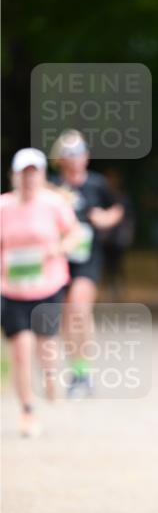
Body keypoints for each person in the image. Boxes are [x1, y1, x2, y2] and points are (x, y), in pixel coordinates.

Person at [1, 148, 80, 436]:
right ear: (15, 176)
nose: (29, 179)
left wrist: (59, 249)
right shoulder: (4, 206)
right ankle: (27, 411)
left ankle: (50, 377)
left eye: (35, 173)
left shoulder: (54, 204)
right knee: (21, 351)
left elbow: (75, 233)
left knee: (46, 344)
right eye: (25, 173)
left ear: (43, 176)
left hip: (48, 284)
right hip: (12, 289)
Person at [50, 130, 124, 397]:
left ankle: (86, 371)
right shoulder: (52, 186)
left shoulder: (97, 184)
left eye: (80, 151)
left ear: (87, 156)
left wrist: (106, 218)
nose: (75, 158)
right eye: (69, 153)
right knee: (67, 316)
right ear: (60, 158)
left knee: (79, 310)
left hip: (88, 258)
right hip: (59, 258)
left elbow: (118, 208)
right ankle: (77, 370)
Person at [100, 168, 135, 300]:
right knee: (108, 265)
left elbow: (130, 217)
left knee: (118, 265)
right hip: (107, 238)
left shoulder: (122, 196)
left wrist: (129, 233)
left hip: (119, 238)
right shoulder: (104, 196)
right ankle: (109, 290)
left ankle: (119, 289)